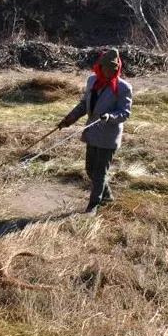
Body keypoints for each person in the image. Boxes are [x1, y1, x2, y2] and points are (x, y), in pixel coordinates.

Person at [57, 48, 133, 213]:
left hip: (108, 136)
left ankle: (93, 206)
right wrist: (68, 120)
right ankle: (107, 197)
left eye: (113, 70)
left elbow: (124, 113)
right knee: (90, 170)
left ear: (117, 69)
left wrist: (109, 117)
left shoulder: (124, 87)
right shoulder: (92, 81)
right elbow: (84, 105)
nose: (109, 73)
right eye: (106, 69)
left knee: (99, 173)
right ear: (100, 67)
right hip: (92, 133)